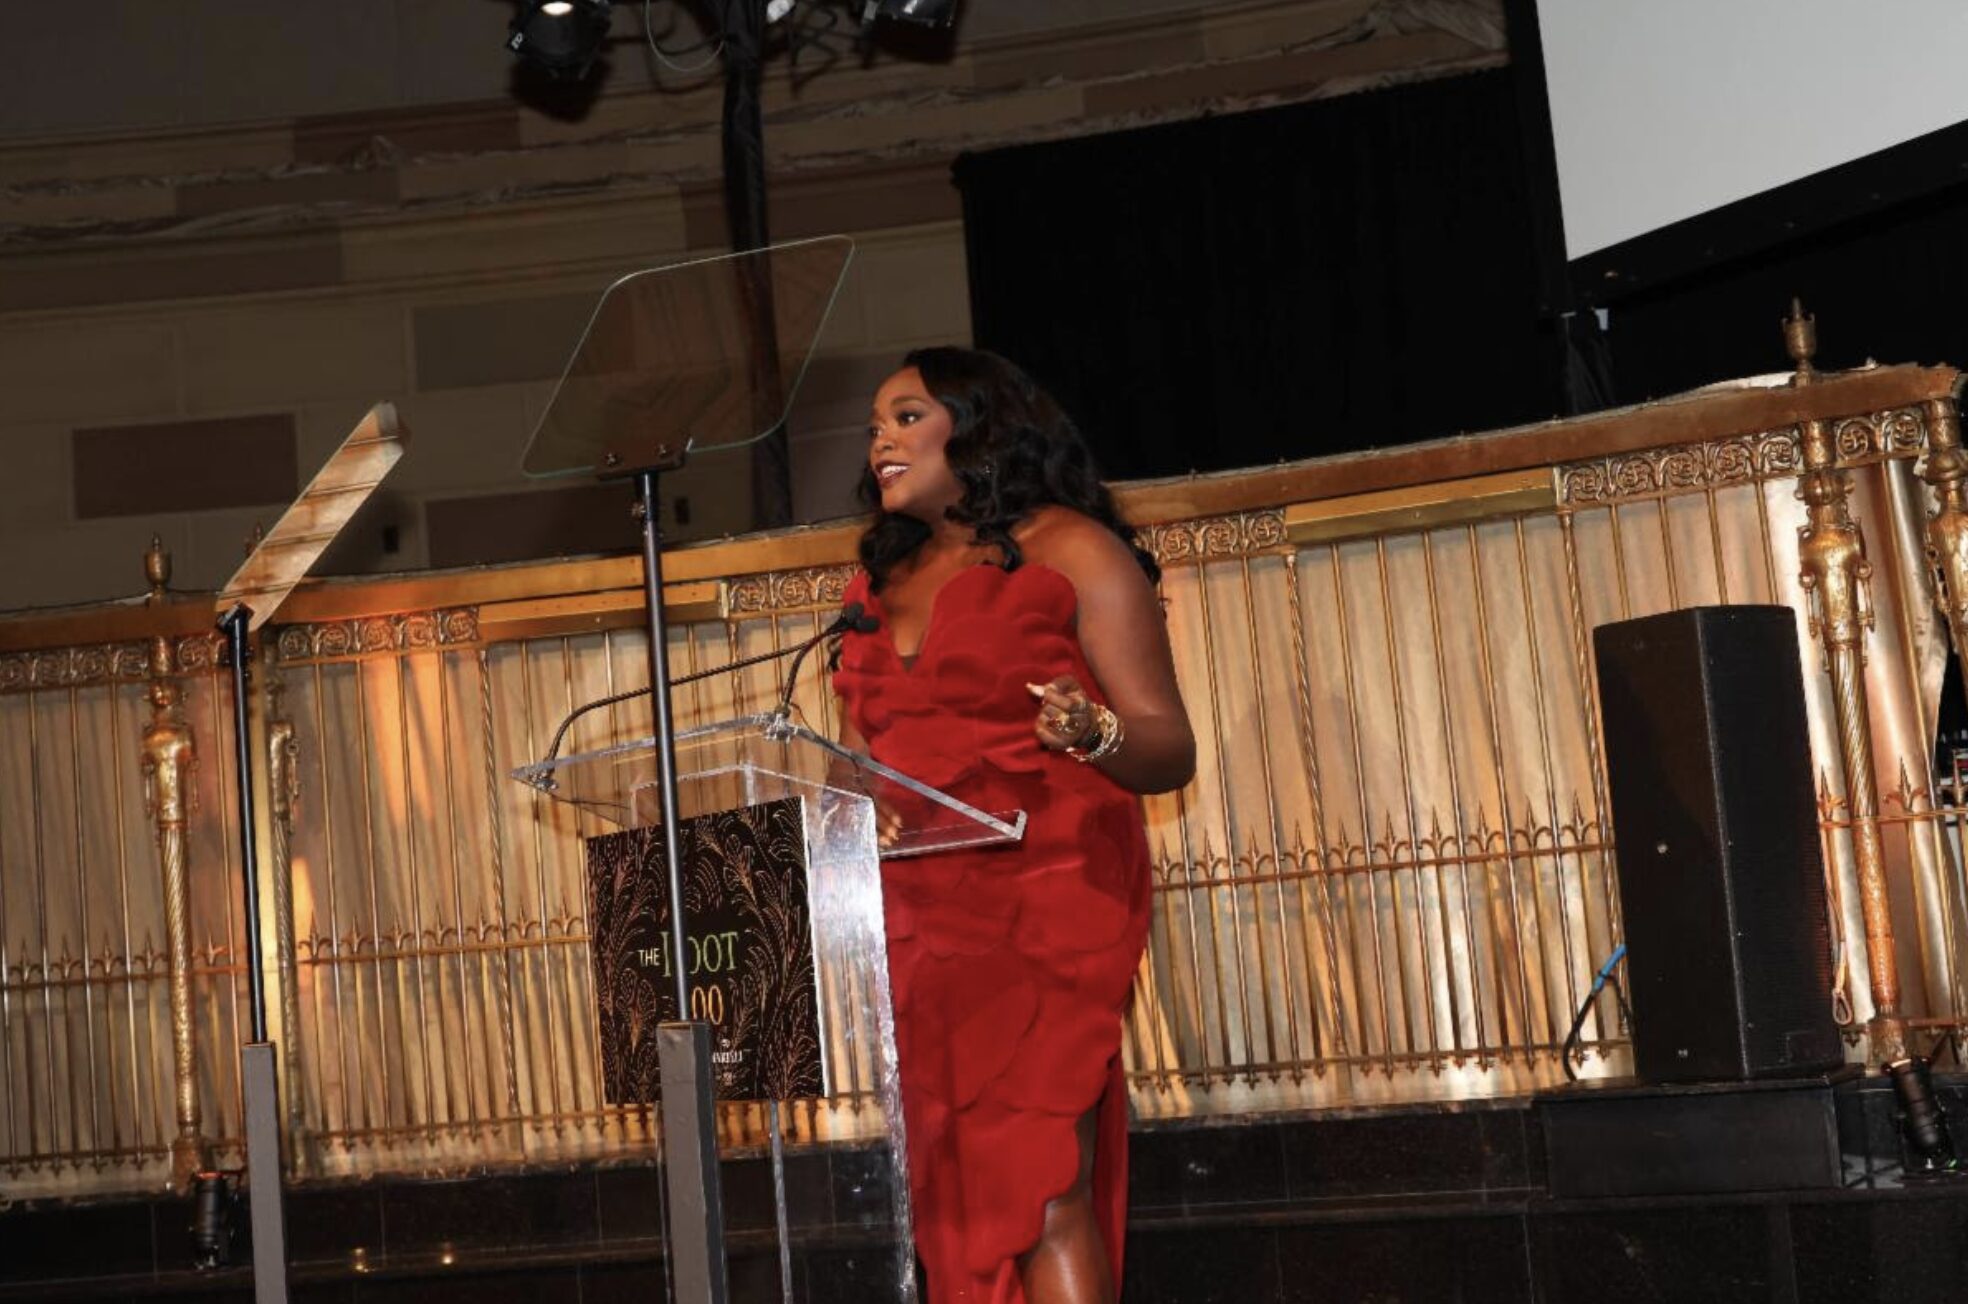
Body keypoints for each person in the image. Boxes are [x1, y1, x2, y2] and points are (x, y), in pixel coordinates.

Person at [831, 347, 1195, 1304]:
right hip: (923, 921)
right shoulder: (872, 588)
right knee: (962, 1194)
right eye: (875, 425)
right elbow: (853, 758)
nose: (881, 439)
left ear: (980, 426)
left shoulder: (1071, 548)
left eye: (907, 416)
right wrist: (854, 810)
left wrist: (1092, 732)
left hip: (1054, 895)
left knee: (1043, 1184)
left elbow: (1168, 746)